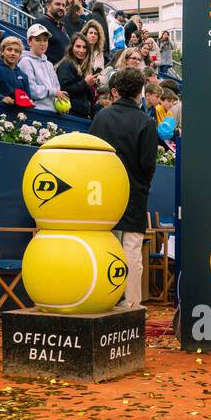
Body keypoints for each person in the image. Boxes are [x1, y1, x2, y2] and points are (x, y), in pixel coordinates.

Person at [88, 66, 158, 310]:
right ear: (140, 92)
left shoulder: (101, 117)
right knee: (131, 250)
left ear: (116, 91)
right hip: (133, 193)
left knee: (103, 246)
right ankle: (131, 305)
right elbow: (148, 164)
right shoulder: (145, 122)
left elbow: (92, 156)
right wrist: (141, 185)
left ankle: (102, 300)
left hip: (100, 193)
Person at [18, 23, 66, 110]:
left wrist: (60, 104)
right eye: (38, 40)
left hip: (53, 114)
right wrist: (53, 92)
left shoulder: (49, 64)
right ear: (29, 41)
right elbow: (31, 90)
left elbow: (57, 89)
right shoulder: (25, 61)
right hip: (35, 112)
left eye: (45, 40)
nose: (42, 43)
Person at [56, 33, 97, 119]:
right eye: (78, 46)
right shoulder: (66, 65)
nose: (81, 50)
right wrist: (85, 83)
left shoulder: (87, 68)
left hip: (84, 115)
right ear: (71, 48)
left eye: (84, 47)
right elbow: (64, 91)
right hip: (69, 115)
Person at [0, 36, 32, 105]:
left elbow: (28, 99)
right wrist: (1, 98)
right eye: (9, 49)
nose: (13, 53)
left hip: (18, 113)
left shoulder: (24, 76)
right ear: (2, 52)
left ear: (20, 55)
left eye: (16, 51)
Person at [32, 0, 71, 64]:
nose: (61, 8)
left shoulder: (61, 26)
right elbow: (35, 52)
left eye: (63, 5)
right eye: (58, 4)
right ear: (48, 6)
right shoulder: (41, 23)